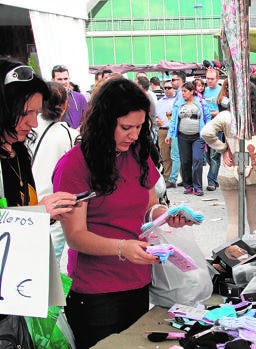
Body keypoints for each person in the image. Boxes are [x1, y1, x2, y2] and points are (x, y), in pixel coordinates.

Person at [52, 77, 193, 348]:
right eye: (126, 127)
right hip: (96, 293)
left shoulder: (138, 152)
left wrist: (166, 215)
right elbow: (76, 236)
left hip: (139, 282)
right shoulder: (74, 165)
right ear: (104, 122)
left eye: (140, 127)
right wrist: (121, 248)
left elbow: (150, 206)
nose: (134, 135)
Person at [0, 59, 78, 348]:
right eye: (26, 113)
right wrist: (36, 214)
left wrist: (45, 214)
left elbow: (21, 215)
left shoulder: (17, 152)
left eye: (36, 112)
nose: (34, 122)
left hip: (24, 287)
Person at [201, 83, 256, 241]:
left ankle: (233, 258)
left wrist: (223, 148)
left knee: (234, 222)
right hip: (255, 169)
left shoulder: (225, 116)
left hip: (230, 167)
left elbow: (206, 132)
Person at [28, 81, 80, 265]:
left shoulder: (26, 127)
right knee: (49, 265)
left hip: (25, 208)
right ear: (65, 105)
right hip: (53, 210)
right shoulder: (68, 135)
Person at [168, 82, 205, 196]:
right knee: (185, 161)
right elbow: (173, 120)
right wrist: (169, 135)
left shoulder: (201, 103)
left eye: (185, 91)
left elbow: (207, 117)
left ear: (192, 91)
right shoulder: (178, 104)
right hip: (182, 136)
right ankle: (188, 185)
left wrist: (208, 133)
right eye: (182, 91)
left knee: (197, 159)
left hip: (197, 137)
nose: (183, 94)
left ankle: (198, 186)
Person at [164, 71, 187, 191]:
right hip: (180, 128)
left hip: (178, 129)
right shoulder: (181, 93)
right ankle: (185, 179)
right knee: (181, 155)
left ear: (181, 81)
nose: (172, 82)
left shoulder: (181, 94)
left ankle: (172, 179)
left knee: (175, 155)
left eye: (174, 80)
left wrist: (171, 133)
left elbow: (177, 114)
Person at [155, 79, 177, 188]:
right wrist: (156, 121)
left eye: (169, 88)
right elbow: (154, 117)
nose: (167, 90)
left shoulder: (178, 100)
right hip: (163, 130)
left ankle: (179, 177)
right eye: (165, 88)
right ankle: (167, 177)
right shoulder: (159, 102)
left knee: (176, 155)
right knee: (165, 155)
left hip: (175, 131)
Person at [203, 68, 222, 191]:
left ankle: (211, 181)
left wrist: (218, 113)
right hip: (205, 126)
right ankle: (214, 177)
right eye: (208, 78)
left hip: (217, 127)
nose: (209, 81)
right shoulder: (204, 91)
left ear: (217, 79)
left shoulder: (222, 91)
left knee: (214, 155)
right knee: (207, 155)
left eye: (212, 79)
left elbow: (227, 109)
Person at [52, 64, 88, 129]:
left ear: (69, 79)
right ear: (53, 80)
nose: (63, 82)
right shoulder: (48, 99)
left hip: (77, 136)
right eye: (59, 79)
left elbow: (87, 118)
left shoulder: (80, 97)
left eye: (65, 79)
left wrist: (78, 130)